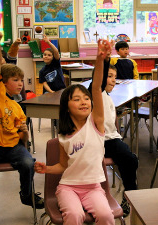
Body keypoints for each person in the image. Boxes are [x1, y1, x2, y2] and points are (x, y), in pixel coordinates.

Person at [34, 39, 115, 225]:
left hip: (94, 188)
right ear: (67, 107)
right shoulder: (63, 136)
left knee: (106, 216)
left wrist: (100, 60)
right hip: (68, 187)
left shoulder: (96, 124)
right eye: (77, 99)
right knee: (74, 215)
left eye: (86, 99)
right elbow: (63, 165)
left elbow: (96, 87)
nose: (84, 102)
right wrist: (47, 169)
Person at [0, 30, 44, 209]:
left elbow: (23, 140)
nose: (21, 83)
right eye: (16, 80)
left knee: (28, 163)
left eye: (21, 80)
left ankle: (26, 195)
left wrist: (25, 134)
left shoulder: (18, 107)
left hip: (12, 146)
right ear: (2, 82)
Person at [102, 64, 138, 217]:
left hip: (113, 137)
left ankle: (128, 195)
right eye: (109, 76)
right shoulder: (96, 93)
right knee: (130, 160)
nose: (113, 81)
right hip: (103, 141)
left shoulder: (107, 96)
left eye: (114, 77)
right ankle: (130, 196)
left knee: (131, 160)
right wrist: (103, 58)